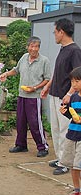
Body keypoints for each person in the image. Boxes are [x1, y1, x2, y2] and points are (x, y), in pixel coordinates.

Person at [40, 18, 81, 175]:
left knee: (65, 130)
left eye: (55, 32)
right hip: (55, 94)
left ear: (61, 32)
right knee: (56, 129)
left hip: (66, 97)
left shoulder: (75, 50)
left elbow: (78, 76)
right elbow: (57, 73)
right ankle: (60, 158)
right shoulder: (63, 49)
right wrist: (47, 86)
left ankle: (66, 163)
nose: (54, 35)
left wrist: (70, 94)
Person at [0, 36, 50, 157]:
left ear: (39, 48)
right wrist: (6, 74)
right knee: (20, 121)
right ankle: (21, 145)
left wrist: (35, 88)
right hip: (22, 95)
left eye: (36, 46)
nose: (34, 49)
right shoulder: (23, 58)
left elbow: (47, 79)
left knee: (35, 122)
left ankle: (43, 146)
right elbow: (16, 70)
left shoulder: (44, 61)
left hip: (34, 96)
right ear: (28, 47)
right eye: (32, 46)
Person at [59, 66, 81, 195]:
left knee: (79, 165)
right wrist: (65, 112)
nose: (74, 84)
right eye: (72, 81)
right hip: (71, 134)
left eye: (77, 81)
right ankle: (76, 189)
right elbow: (72, 116)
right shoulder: (73, 97)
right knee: (73, 165)